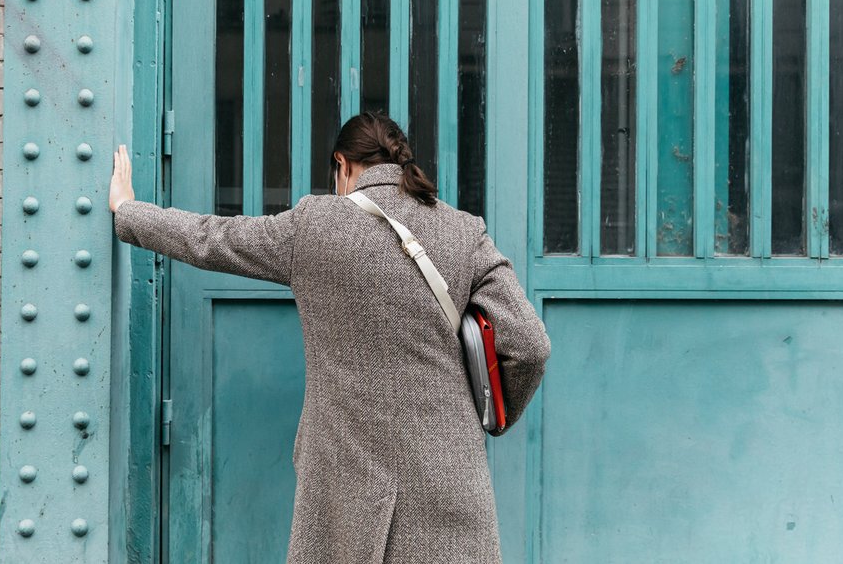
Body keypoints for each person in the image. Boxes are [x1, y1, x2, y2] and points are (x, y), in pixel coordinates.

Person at [110, 110, 551, 563]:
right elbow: (530, 346)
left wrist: (129, 211)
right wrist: (491, 417)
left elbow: (212, 238)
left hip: (344, 484)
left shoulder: (314, 225)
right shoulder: (463, 230)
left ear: (342, 165)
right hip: (448, 476)